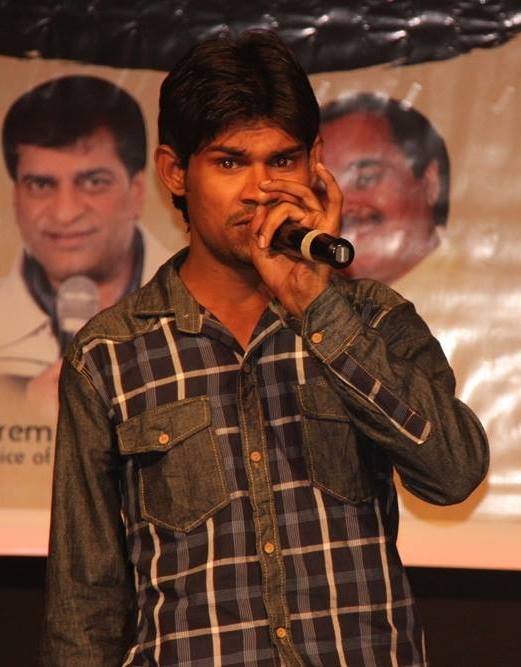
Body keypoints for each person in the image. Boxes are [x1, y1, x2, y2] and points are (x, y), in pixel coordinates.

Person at [42, 31, 488, 666]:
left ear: (315, 163)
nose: (260, 190)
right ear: (174, 171)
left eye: (282, 161)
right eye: (230, 163)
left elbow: (455, 473)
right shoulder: (110, 354)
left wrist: (316, 306)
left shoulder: (371, 319)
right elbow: (84, 601)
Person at [0, 75, 170, 414]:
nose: (65, 213)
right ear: (16, 198)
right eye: (41, 185)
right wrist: (24, 418)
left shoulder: (201, 315)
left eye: (93, 182)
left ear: (137, 192)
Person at [320, 92, 450, 285]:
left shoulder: (476, 286)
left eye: (365, 179)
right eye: (322, 190)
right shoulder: (308, 299)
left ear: (431, 182)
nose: (342, 207)